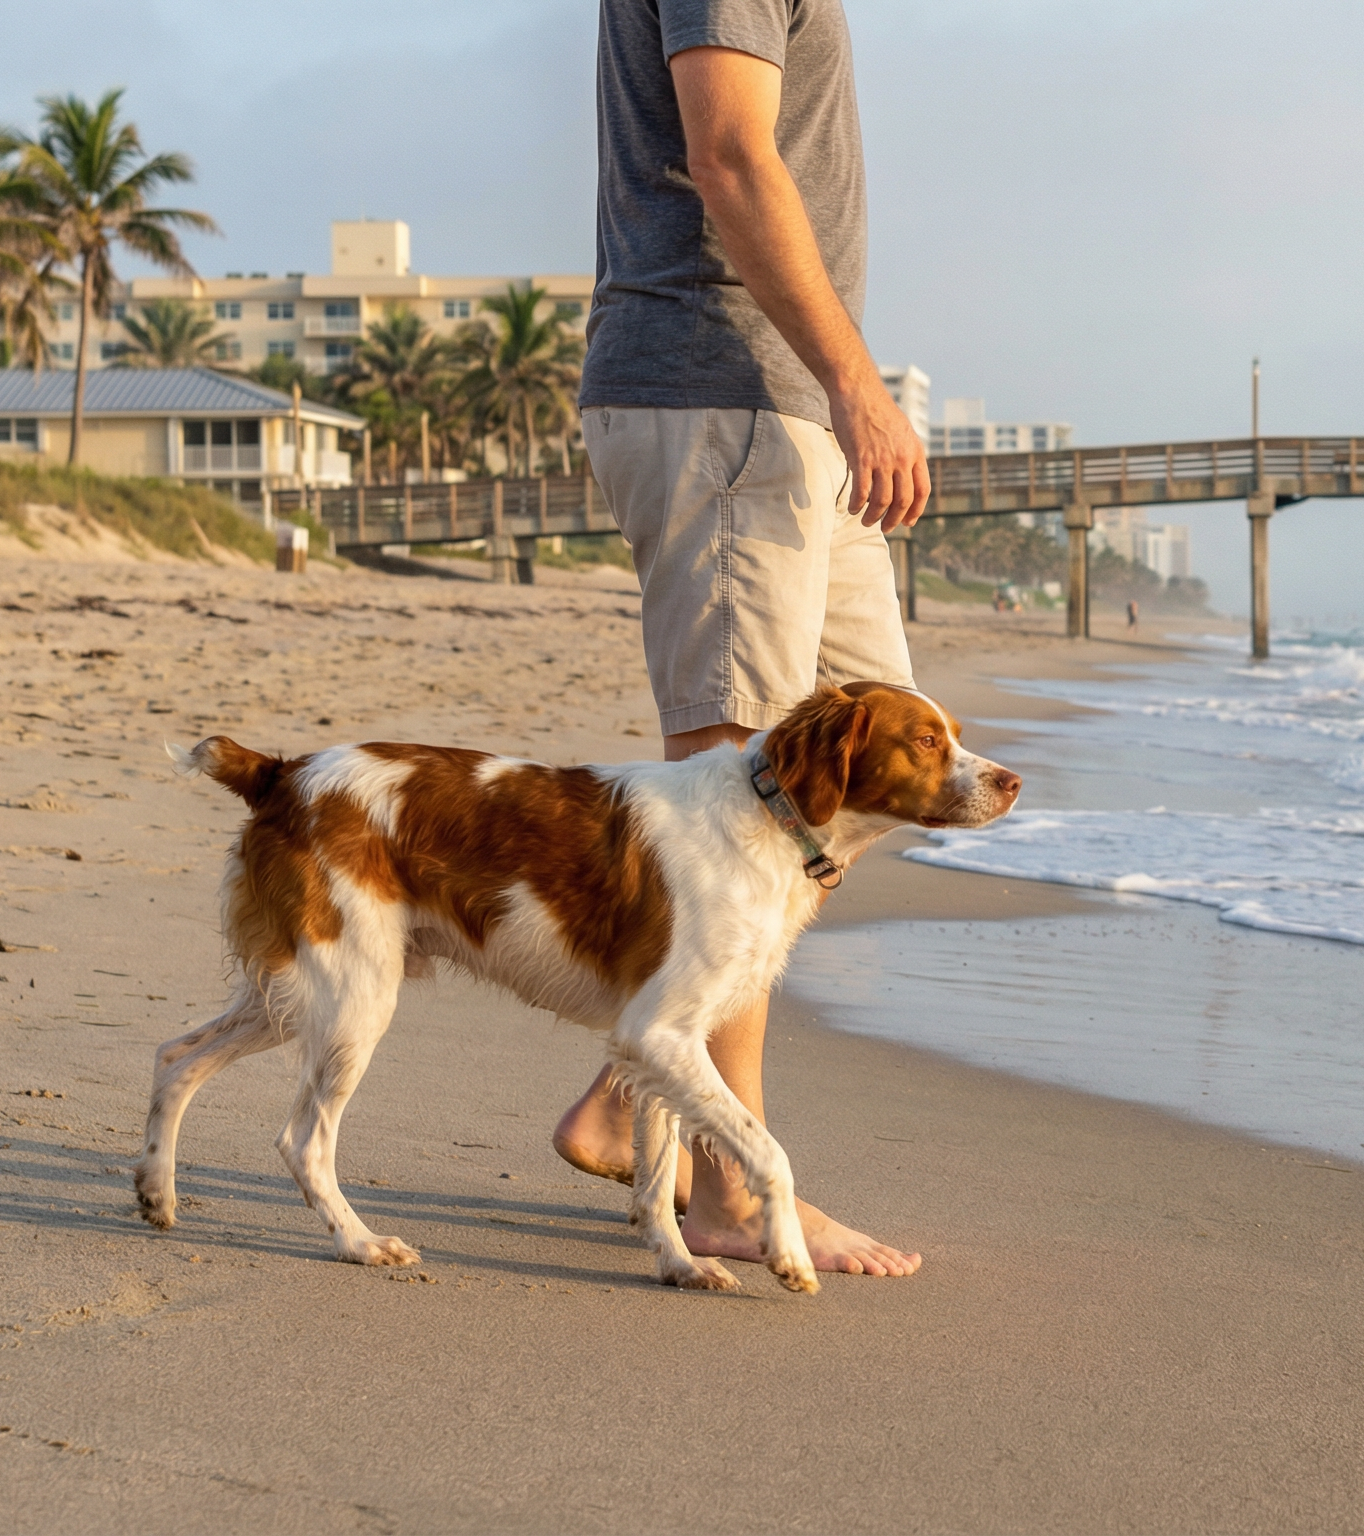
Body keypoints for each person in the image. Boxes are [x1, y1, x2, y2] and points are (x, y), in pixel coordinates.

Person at [557, 0, 925, 1278]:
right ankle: (725, 1183)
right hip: (725, 396)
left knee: (887, 770)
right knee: (743, 804)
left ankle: (638, 1083)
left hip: (773, 409)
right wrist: (857, 381)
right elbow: (728, 153)